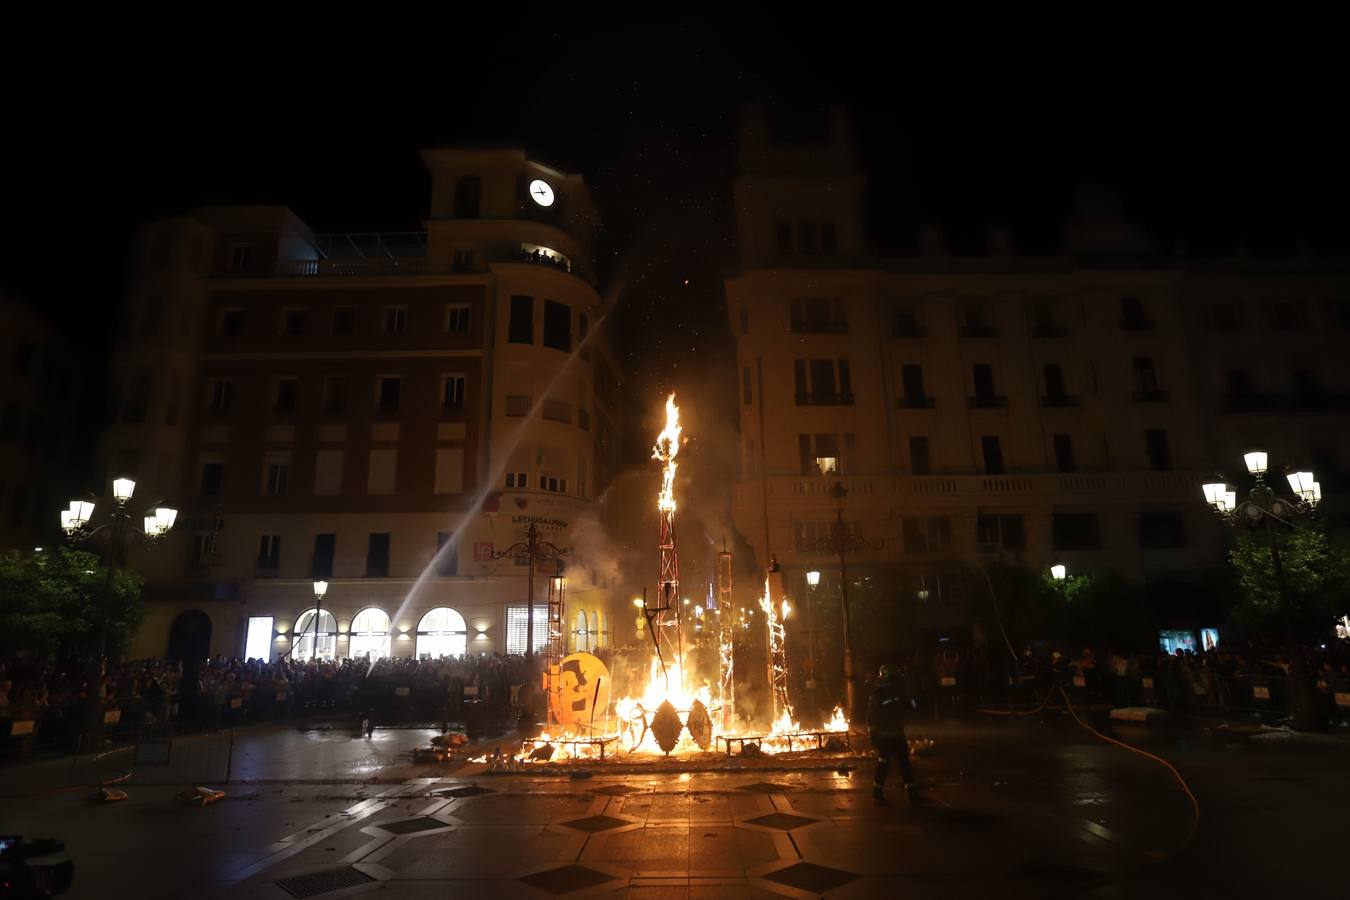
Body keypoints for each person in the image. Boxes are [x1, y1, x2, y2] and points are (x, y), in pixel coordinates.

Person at [868, 664, 921, 805]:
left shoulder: (895, 691)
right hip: (886, 736)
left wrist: (912, 698)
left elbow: (910, 706)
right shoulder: (879, 694)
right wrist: (873, 736)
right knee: (886, 764)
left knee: (903, 764)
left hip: (896, 734)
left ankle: (913, 795)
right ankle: (878, 793)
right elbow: (872, 717)